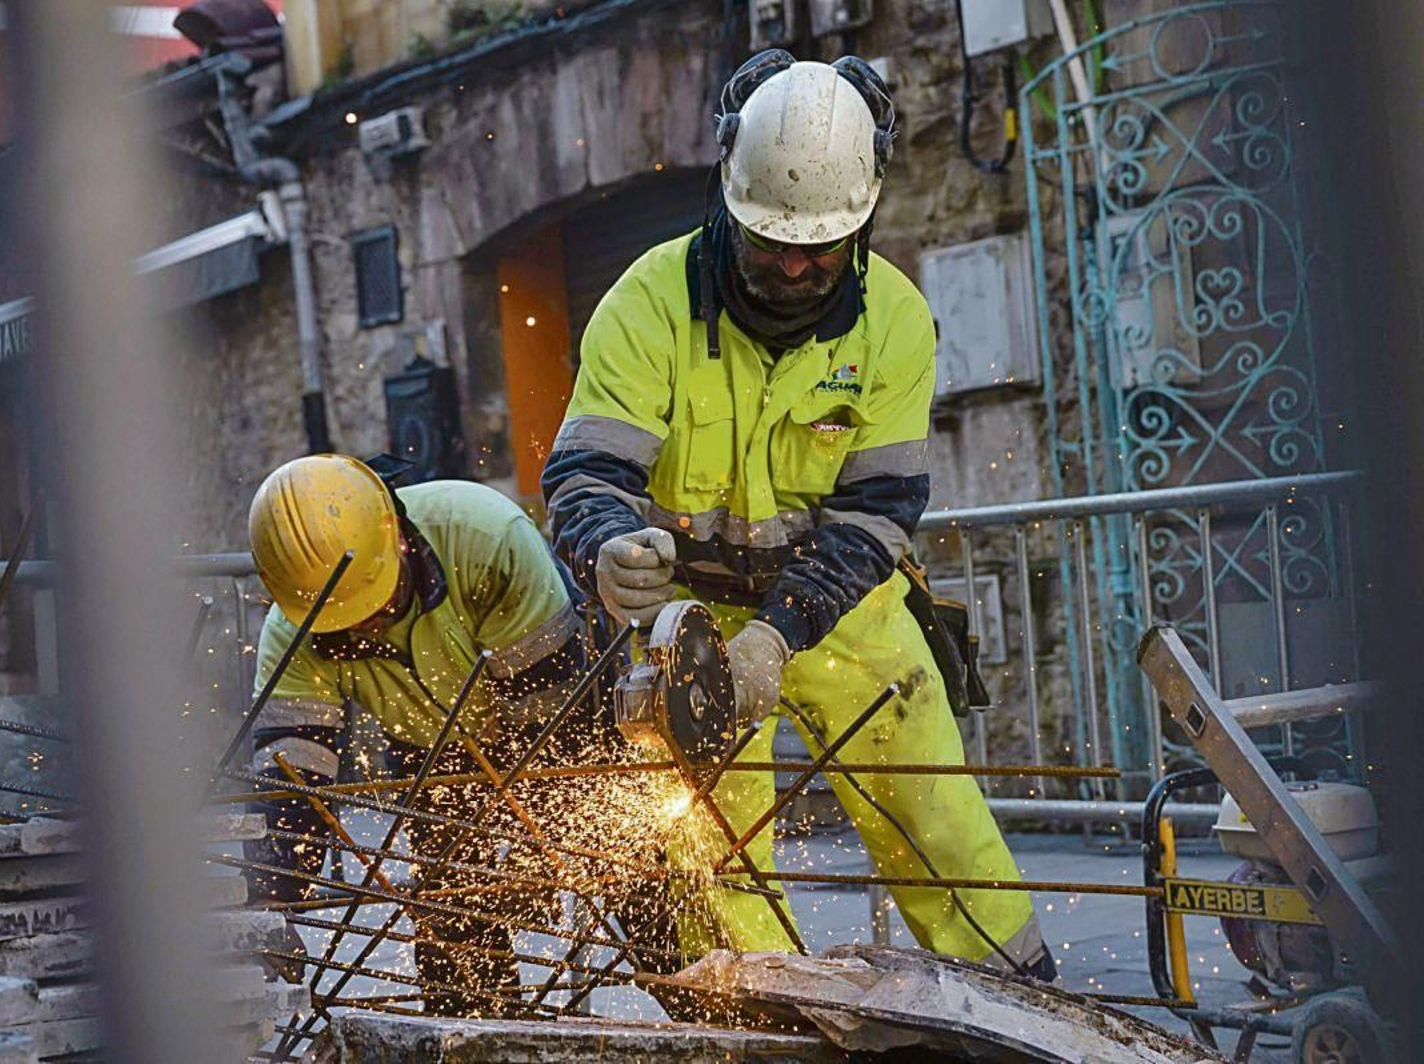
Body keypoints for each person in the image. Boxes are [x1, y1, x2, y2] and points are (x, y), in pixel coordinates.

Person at [541, 51, 1054, 979]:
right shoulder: (647, 304)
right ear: (728, 195)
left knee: (937, 824)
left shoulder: (895, 320)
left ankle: (1019, 996)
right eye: (769, 238)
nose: (791, 264)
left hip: (845, 610)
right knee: (718, 861)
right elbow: (585, 472)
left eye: (818, 246)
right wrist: (608, 546)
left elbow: (876, 514)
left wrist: (777, 640)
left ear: (863, 215)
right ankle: (768, 1020)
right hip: (690, 624)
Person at [242, 454, 596, 1014]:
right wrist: (267, 908)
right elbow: (292, 794)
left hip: (548, 724)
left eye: (373, 606)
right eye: (345, 621)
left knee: (634, 882)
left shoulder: (485, 540)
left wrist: (541, 850)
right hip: (432, 752)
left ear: (400, 541)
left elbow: (557, 729)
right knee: (456, 943)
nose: (362, 625)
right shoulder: (294, 631)